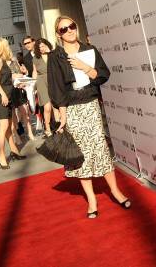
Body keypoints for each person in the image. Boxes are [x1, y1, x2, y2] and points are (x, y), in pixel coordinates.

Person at [48, 16, 130, 218]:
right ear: (58, 34)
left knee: (100, 148)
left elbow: (103, 75)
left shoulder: (90, 50)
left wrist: (85, 67)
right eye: (63, 29)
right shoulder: (55, 57)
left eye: (72, 26)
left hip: (91, 106)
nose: (69, 31)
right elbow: (56, 89)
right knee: (81, 155)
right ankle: (92, 200)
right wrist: (63, 117)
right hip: (73, 110)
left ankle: (116, 191)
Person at [0, 38, 27, 169]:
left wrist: (19, 78)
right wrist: (3, 95)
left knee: (10, 126)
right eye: (6, 45)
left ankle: (14, 151)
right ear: (2, 47)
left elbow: (5, 78)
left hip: (8, 95)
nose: (8, 47)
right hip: (1, 97)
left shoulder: (4, 61)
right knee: (3, 126)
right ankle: (1, 157)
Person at [32, 38, 53, 136]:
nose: (41, 48)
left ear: (47, 45)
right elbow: (34, 72)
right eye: (39, 47)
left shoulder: (52, 54)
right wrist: (33, 86)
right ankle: (48, 128)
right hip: (41, 82)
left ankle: (58, 126)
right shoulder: (35, 58)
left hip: (53, 80)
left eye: (43, 46)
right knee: (47, 106)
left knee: (56, 106)